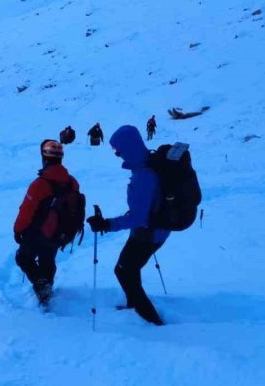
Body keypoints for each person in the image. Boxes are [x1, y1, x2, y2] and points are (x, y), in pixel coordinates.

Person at [87, 125, 169, 326]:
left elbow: (139, 218)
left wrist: (107, 224)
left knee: (124, 271)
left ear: (129, 147)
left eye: (118, 150)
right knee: (129, 268)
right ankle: (134, 304)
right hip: (151, 230)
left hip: (149, 233)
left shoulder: (144, 176)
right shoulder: (145, 166)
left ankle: (151, 319)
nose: (117, 155)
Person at [13, 139, 84, 308]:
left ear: (44, 157)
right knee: (48, 259)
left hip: (39, 232)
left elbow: (27, 210)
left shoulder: (40, 184)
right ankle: (46, 290)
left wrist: (18, 230)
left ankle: (42, 287)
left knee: (23, 257)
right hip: (61, 232)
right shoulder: (72, 181)